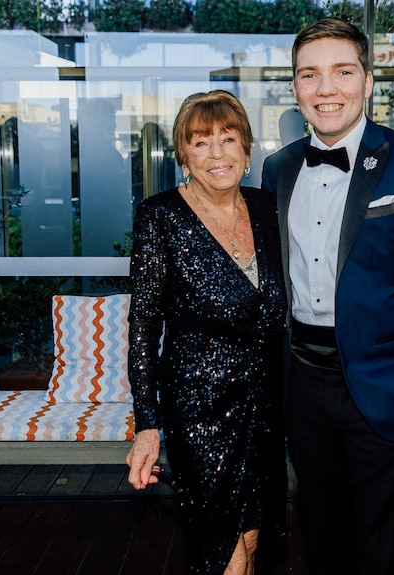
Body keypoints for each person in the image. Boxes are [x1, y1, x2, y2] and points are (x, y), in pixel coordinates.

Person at [261, 18, 394, 575]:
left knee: (382, 549)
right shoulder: (277, 169)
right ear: (297, 88)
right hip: (301, 384)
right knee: (321, 539)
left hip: (385, 385)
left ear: (369, 80)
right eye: (310, 75)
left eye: (342, 72)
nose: (326, 88)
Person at [126, 90, 287, 575]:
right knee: (224, 550)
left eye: (228, 138)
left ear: (246, 148)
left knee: (256, 538)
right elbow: (142, 328)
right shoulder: (160, 218)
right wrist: (147, 423)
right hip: (200, 412)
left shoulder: (267, 208)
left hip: (264, 408)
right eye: (200, 142)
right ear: (184, 156)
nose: (217, 153)